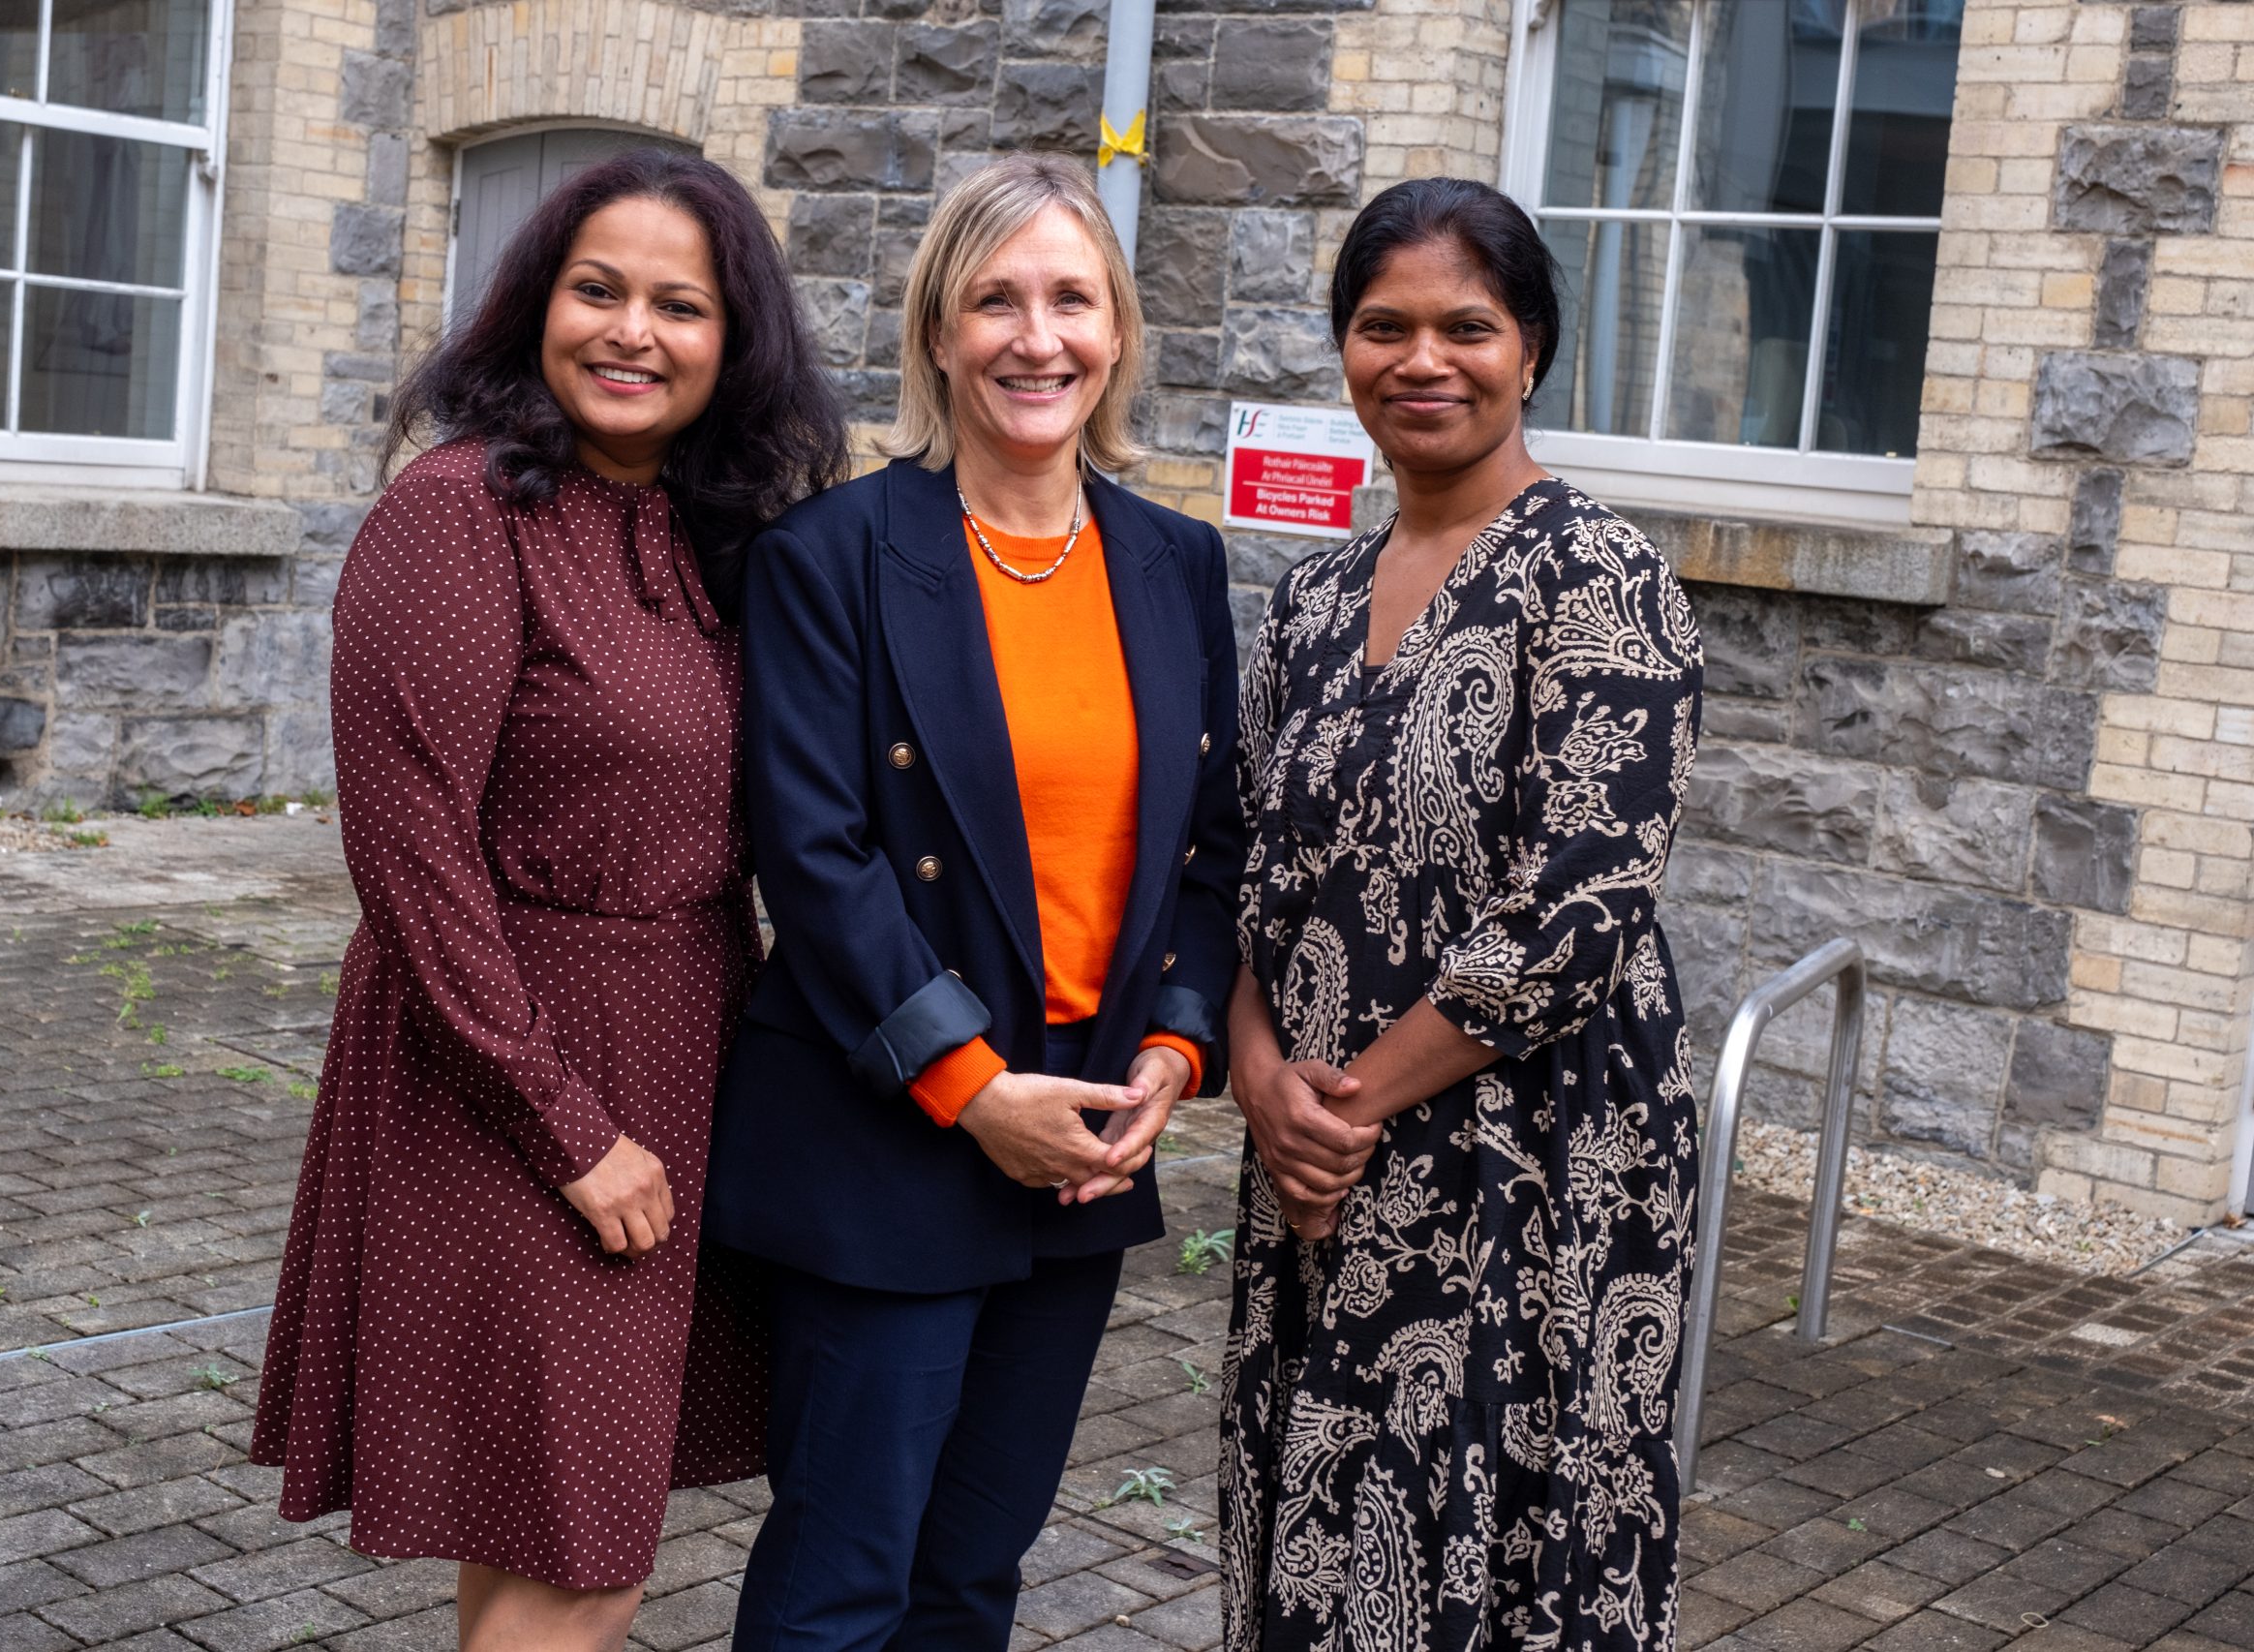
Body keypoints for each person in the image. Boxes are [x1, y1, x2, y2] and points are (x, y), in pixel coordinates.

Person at [250, 150, 846, 1652]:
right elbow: (410, 859)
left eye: (678, 303)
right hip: (507, 1069)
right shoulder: (458, 516)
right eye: (597, 290)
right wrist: (567, 1124)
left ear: (735, 339)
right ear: (533, 308)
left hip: (684, 1045)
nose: (632, 331)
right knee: (587, 1554)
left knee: (544, 1514)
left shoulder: (720, 540)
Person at [702, 152, 1243, 1652]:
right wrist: (969, 1082)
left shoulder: (1176, 563)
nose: (1036, 336)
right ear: (937, 333)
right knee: (842, 1588)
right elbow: (812, 856)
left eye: (1073, 297)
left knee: (970, 1583)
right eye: (994, 298)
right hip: (889, 1139)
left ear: (1119, 331)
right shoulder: (834, 559)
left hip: (1078, 1151)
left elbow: (1213, 844)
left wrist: (1172, 1054)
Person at [1220, 176, 1706, 1649]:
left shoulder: (1606, 581)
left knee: (1498, 1564)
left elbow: (1572, 915)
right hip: (1314, 1159)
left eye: (1465, 326)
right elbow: (1244, 873)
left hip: (1531, 1162)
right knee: (1309, 1519)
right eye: (1383, 326)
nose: (1421, 360)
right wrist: (1260, 1086)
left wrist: (1343, 1105)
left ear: (1534, 348)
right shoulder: (1309, 597)